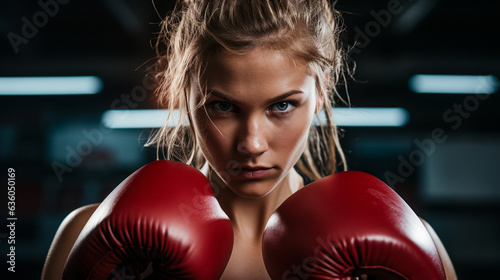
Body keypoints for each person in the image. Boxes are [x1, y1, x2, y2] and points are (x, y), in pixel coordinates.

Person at [42, 1, 457, 279]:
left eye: (281, 107)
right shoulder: (90, 237)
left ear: (321, 94)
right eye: (223, 107)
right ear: (180, 94)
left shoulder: (411, 247)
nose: (252, 144)